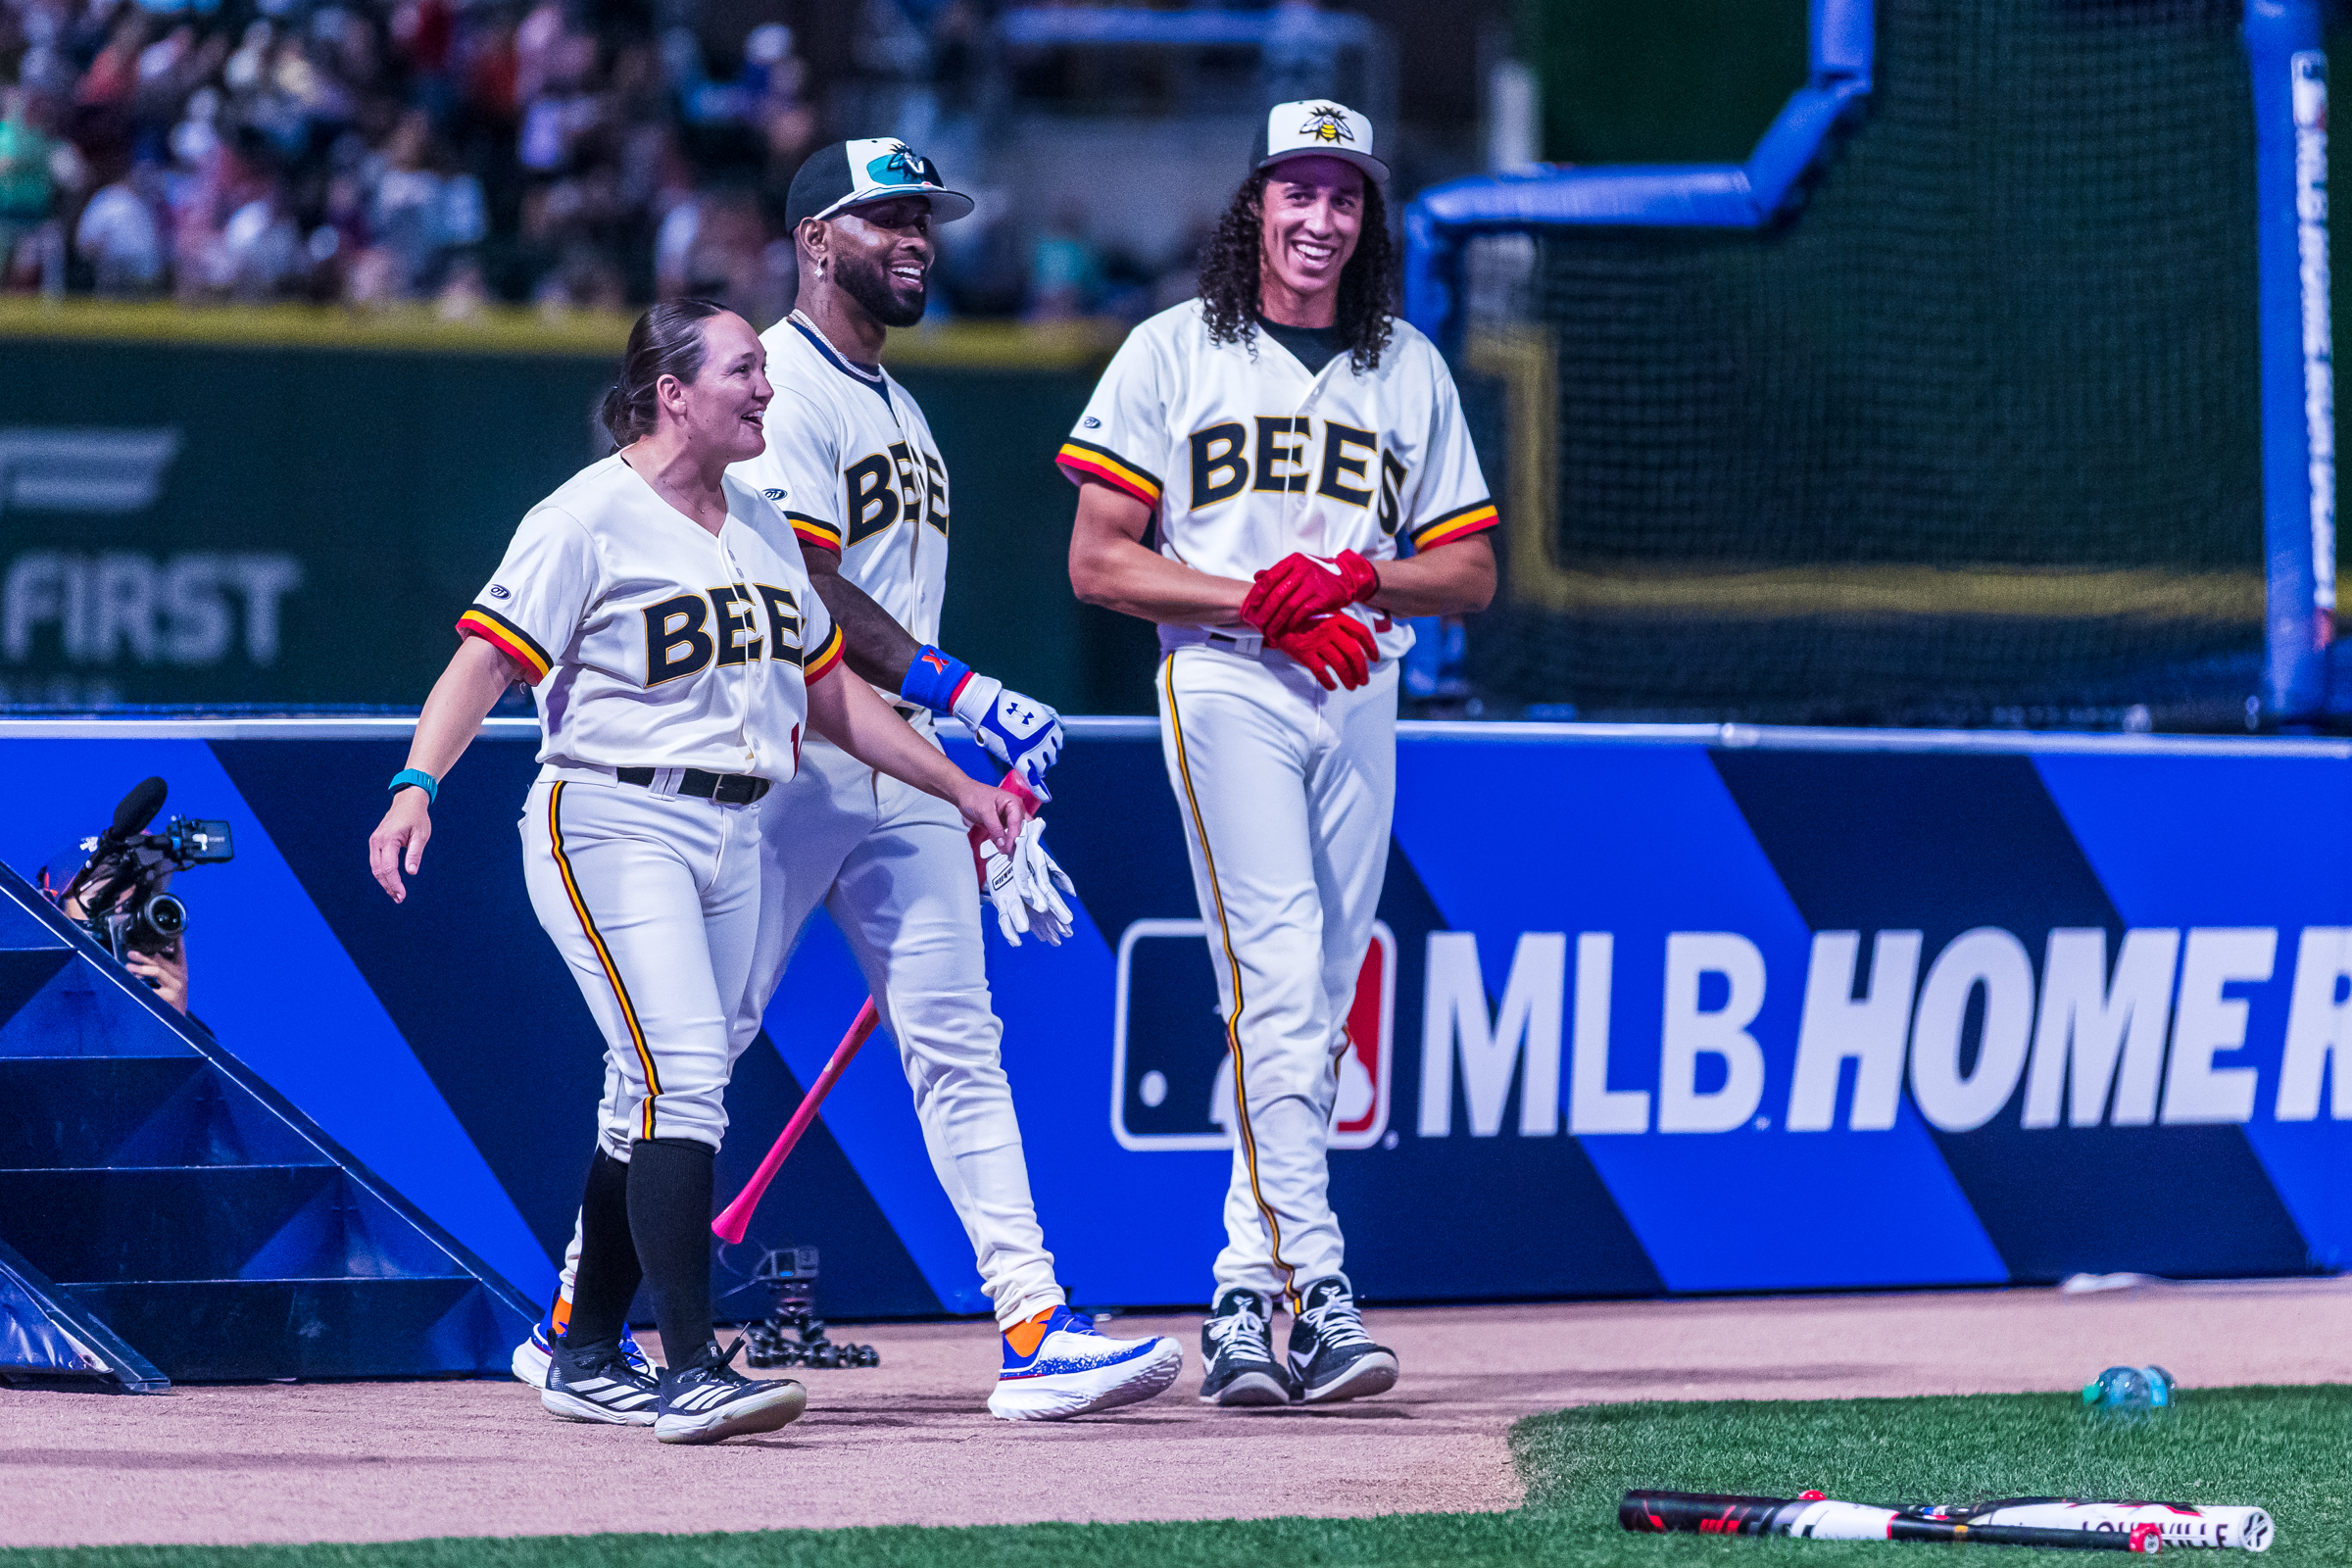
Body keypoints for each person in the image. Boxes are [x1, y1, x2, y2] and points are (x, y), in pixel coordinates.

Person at [516, 137, 1183, 1424]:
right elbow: (807, 594)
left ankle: (1034, 1321)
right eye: (888, 217)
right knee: (683, 1060)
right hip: (772, 763)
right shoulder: (772, 385)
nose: (917, 237)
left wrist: (954, 758)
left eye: (924, 217)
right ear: (817, 239)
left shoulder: (901, 409)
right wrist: (963, 691)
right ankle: (574, 1324)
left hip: (887, 763)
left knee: (959, 1041)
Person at [368, 298, 1029, 1446]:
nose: (765, 387)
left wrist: (958, 784)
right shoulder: (586, 517)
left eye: (765, 368)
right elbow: (482, 664)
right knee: (681, 1074)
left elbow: (832, 694)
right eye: (743, 369)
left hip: (737, 825)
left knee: (649, 1088)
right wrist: (417, 782)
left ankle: (583, 1351)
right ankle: (690, 1365)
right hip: (613, 816)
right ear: (672, 394)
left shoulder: (762, 523)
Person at [1062, 101, 1499, 1408]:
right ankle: (1320, 1285)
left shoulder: (1407, 365)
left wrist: (1360, 573)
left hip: (1359, 682)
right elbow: (1098, 561)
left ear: (1369, 218)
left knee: (1314, 993)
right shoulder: (1172, 349)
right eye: (1297, 190)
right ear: (1255, 203)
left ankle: (1243, 1298)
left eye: (1344, 196)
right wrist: (1258, 600)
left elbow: (1471, 572)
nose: (1320, 218)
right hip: (1226, 680)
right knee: (1277, 978)